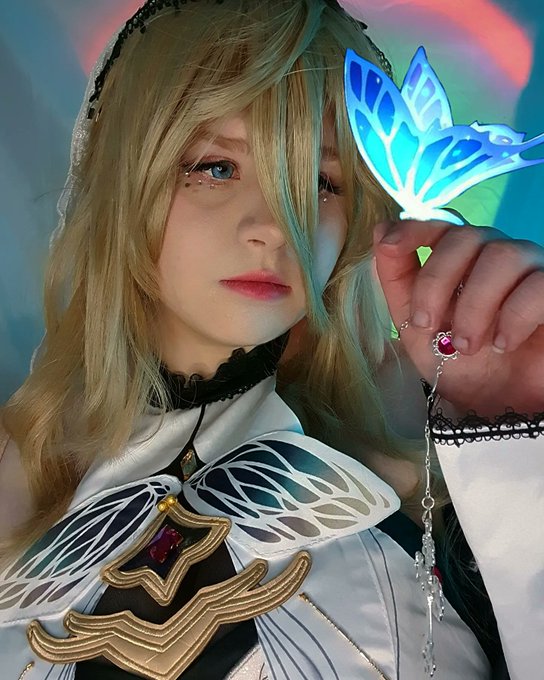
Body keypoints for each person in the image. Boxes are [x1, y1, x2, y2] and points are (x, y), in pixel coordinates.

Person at [0, 1, 542, 678]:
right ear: (122, 181)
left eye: (322, 181)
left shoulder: (446, 449)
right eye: (215, 167)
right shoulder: (23, 469)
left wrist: (518, 450)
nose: (275, 225)